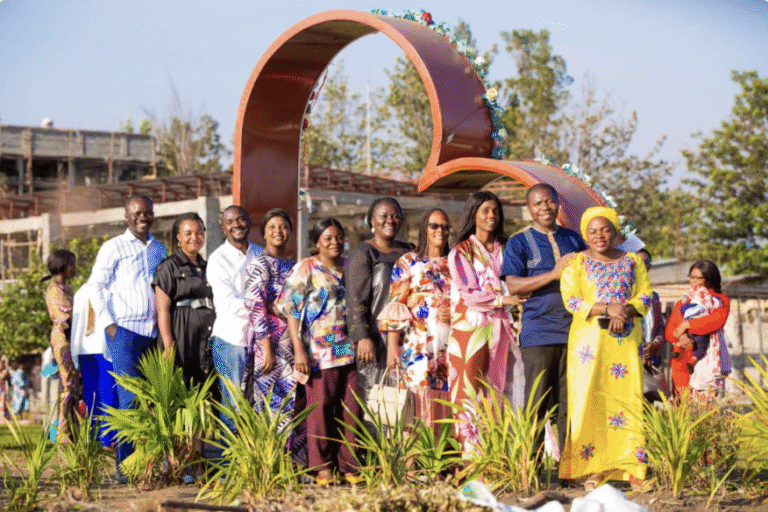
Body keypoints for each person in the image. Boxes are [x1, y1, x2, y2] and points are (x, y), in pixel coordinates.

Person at [559, 206, 653, 491]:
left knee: (628, 401)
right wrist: (607, 308)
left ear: (615, 233)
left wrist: (623, 311)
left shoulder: (633, 261)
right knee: (590, 401)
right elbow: (572, 300)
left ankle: (633, 469)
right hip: (588, 346)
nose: (599, 236)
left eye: (605, 229)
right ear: (585, 235)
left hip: (624, 344)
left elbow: (646, 295)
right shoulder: (575, 263)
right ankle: (594, 469)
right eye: (592, 231)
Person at [501, 183, 586, 454]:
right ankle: (530, 469)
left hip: (574, 333)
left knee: (568, 405)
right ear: (529, 209)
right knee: (536, 404)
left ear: (557, 203)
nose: (544, 208)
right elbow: (513, 286)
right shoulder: (519, 242)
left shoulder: (574, 239)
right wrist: (553, 274)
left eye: (549, 202)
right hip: (538, 334)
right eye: (538, 204)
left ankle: (569, 470)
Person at [88, 195, 167, 475]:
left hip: (153, 333)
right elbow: (95, 285)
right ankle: (126, 467)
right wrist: (109, 324)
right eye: (136, 213)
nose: (142, 217)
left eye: (147, 212)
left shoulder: (159, 248)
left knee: (153, 400)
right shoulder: (114, 247)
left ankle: (149, 464)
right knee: (129, 400)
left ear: (153, 214)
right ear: (127, 216)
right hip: (125, 332)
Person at [278, 218, 360, 485]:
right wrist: (299, 351)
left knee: (351, 407)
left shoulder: (350, 265)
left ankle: (349, 466)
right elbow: (290, 310)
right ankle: (322, 467)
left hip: (348, 345)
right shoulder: (307, 268)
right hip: (318, 348)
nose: (335, 242)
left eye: (338, 237)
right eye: (328, 238)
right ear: (317, 243)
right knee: (321, 407)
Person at [448, 190, 525, 456]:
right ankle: (471, 461)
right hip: (471, 331)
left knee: (498, 391)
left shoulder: (508, 247)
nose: (491, 216)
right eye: (485, 211)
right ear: (473, 215)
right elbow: (469, 294)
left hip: (502, 329)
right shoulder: (461, 251)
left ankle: (495, 457)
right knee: (469, 392)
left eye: (495, 211)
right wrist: (506, 299)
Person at [379, 208, 452, 435]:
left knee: (444, 400)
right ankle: (410, 468)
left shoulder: (456, 262)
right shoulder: (408, 261)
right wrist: (392, 347)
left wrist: (454, 310)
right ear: (424, 229)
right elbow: (395, 305)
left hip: (448, 346)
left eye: (445, 226)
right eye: (434, 226)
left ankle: (438, 466)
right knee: (412, 403)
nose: (440, 230)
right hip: (415, 345)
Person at [242, 208, 304, 461]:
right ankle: (268, 463)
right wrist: (266, 347)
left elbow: (300, 304)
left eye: (283, 226)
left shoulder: (293, 266)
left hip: (292, 348)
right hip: (268, 350)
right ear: (264, 233)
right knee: (269, 406)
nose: (279, 231)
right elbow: (255, 307)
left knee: (289, 406)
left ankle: (287, 462)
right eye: (272, 227)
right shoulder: (259, 264)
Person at [347, 197, 413, 409]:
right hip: (376, 340)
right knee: (379, 402)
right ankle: (376, 443)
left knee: (408, 403)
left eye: (395, 216)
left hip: (410, 339)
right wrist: (362, 336)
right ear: (372, 221)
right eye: (383, 216)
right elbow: (355, 298)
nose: (390, 221)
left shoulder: (410, 250)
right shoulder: (363, 252)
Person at [206, 205, 263, 434]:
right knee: (233, 405)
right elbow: (228, 302)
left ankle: (252, 464)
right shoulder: (217, 259)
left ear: (248, 222)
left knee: (257, 402)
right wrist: (265, 310)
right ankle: (230, 466)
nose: (236, 225)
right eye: (230, 221)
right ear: (223, 228)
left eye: (241, 219)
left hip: (261, 340)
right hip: (231, 340)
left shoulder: (260, 253)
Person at [153, 213, 215, 386]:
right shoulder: (169, 266)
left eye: (199, 232)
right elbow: (162, 309)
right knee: (182, 387)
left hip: (206, 336)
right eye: (188, 233)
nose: (194, 237)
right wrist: (168, 345)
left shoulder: (208, 266)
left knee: (205, 386)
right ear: (179, 237)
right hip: (181, 333)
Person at [665, 260, 731, 397]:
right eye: (691, 276)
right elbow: (670, 331)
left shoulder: (719, 300)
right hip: (681, 359)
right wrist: (681, 336)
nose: (693, 281)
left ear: (709, 278)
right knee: (682, 408)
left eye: (698, 278)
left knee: (705, 407)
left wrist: (686, 325)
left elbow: (716, 321)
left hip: (706, 359)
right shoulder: (683, 302)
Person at [43, 249, 81, 443]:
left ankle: (71, 430)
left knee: (73, 385)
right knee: (67, 384)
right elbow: (63, 318)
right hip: (63, 339)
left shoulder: (68, 290)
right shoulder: (54, 290)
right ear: (61, 265)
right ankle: (62, 433)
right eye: (71, 264)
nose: (74, 268)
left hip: (71, 339)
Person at [636, 249, 669, 402]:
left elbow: (660, 328)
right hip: (629, 361)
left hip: (650, 361)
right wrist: (640, 352)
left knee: (648, 408)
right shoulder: (621, 294)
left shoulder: (653, 297)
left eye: (646, 263)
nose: (642, 266)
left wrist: (655, 345)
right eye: (638, 262)